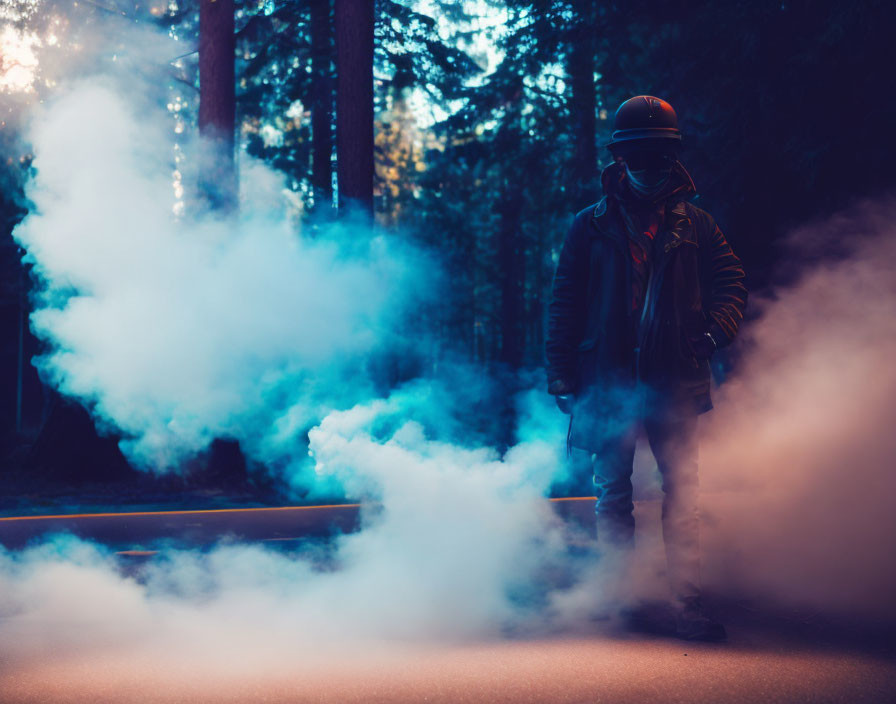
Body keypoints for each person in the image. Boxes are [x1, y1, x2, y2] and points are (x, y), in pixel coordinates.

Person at [545, 95, 747, 641]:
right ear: (620, 159)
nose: (649, 168)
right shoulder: (588, 226)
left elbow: (732, 285)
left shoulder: (698, 226)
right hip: (607, 381)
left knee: (682, 492)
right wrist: (561, 373)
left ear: (671, 157)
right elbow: (565, 300)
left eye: (658, 156)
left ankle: (686, 605)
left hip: (672, 383)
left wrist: (711, 333)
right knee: (613, 493)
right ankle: (621, 600)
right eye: (639, 156)